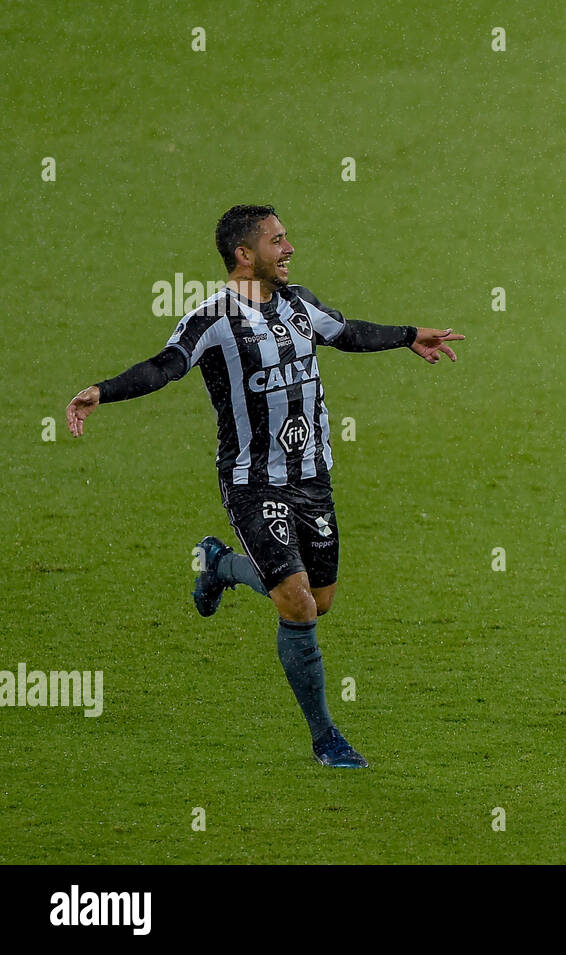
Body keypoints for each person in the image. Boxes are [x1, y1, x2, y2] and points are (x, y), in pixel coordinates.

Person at [65, 204, 465, 769]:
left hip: (312, 479)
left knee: (320, 602)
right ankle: (326, 737)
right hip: (254, 483)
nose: (290, 249)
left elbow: (346, 331)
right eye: (278, 241)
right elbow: (165, 366)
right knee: (298, 605)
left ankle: (220, 565)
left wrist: (406, 337)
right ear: (244, 254)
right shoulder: (213, 319)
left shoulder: (299, 304)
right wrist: (101, 392)